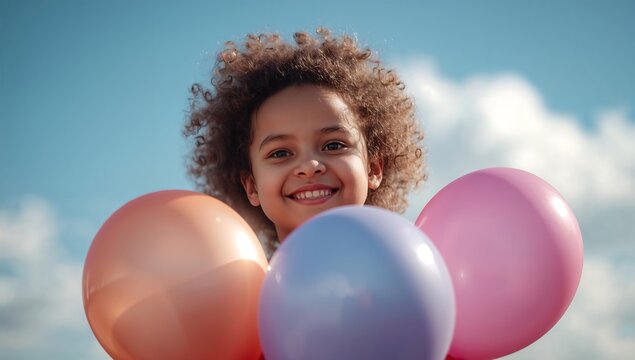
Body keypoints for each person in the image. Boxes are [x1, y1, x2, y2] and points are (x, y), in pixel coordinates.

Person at [184, 28, 425, 257]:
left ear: (373, 167)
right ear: (252, 187)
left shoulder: (411, 271)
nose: (310, 166)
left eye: (333, 145)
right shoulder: (241, 294)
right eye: (280, 153)